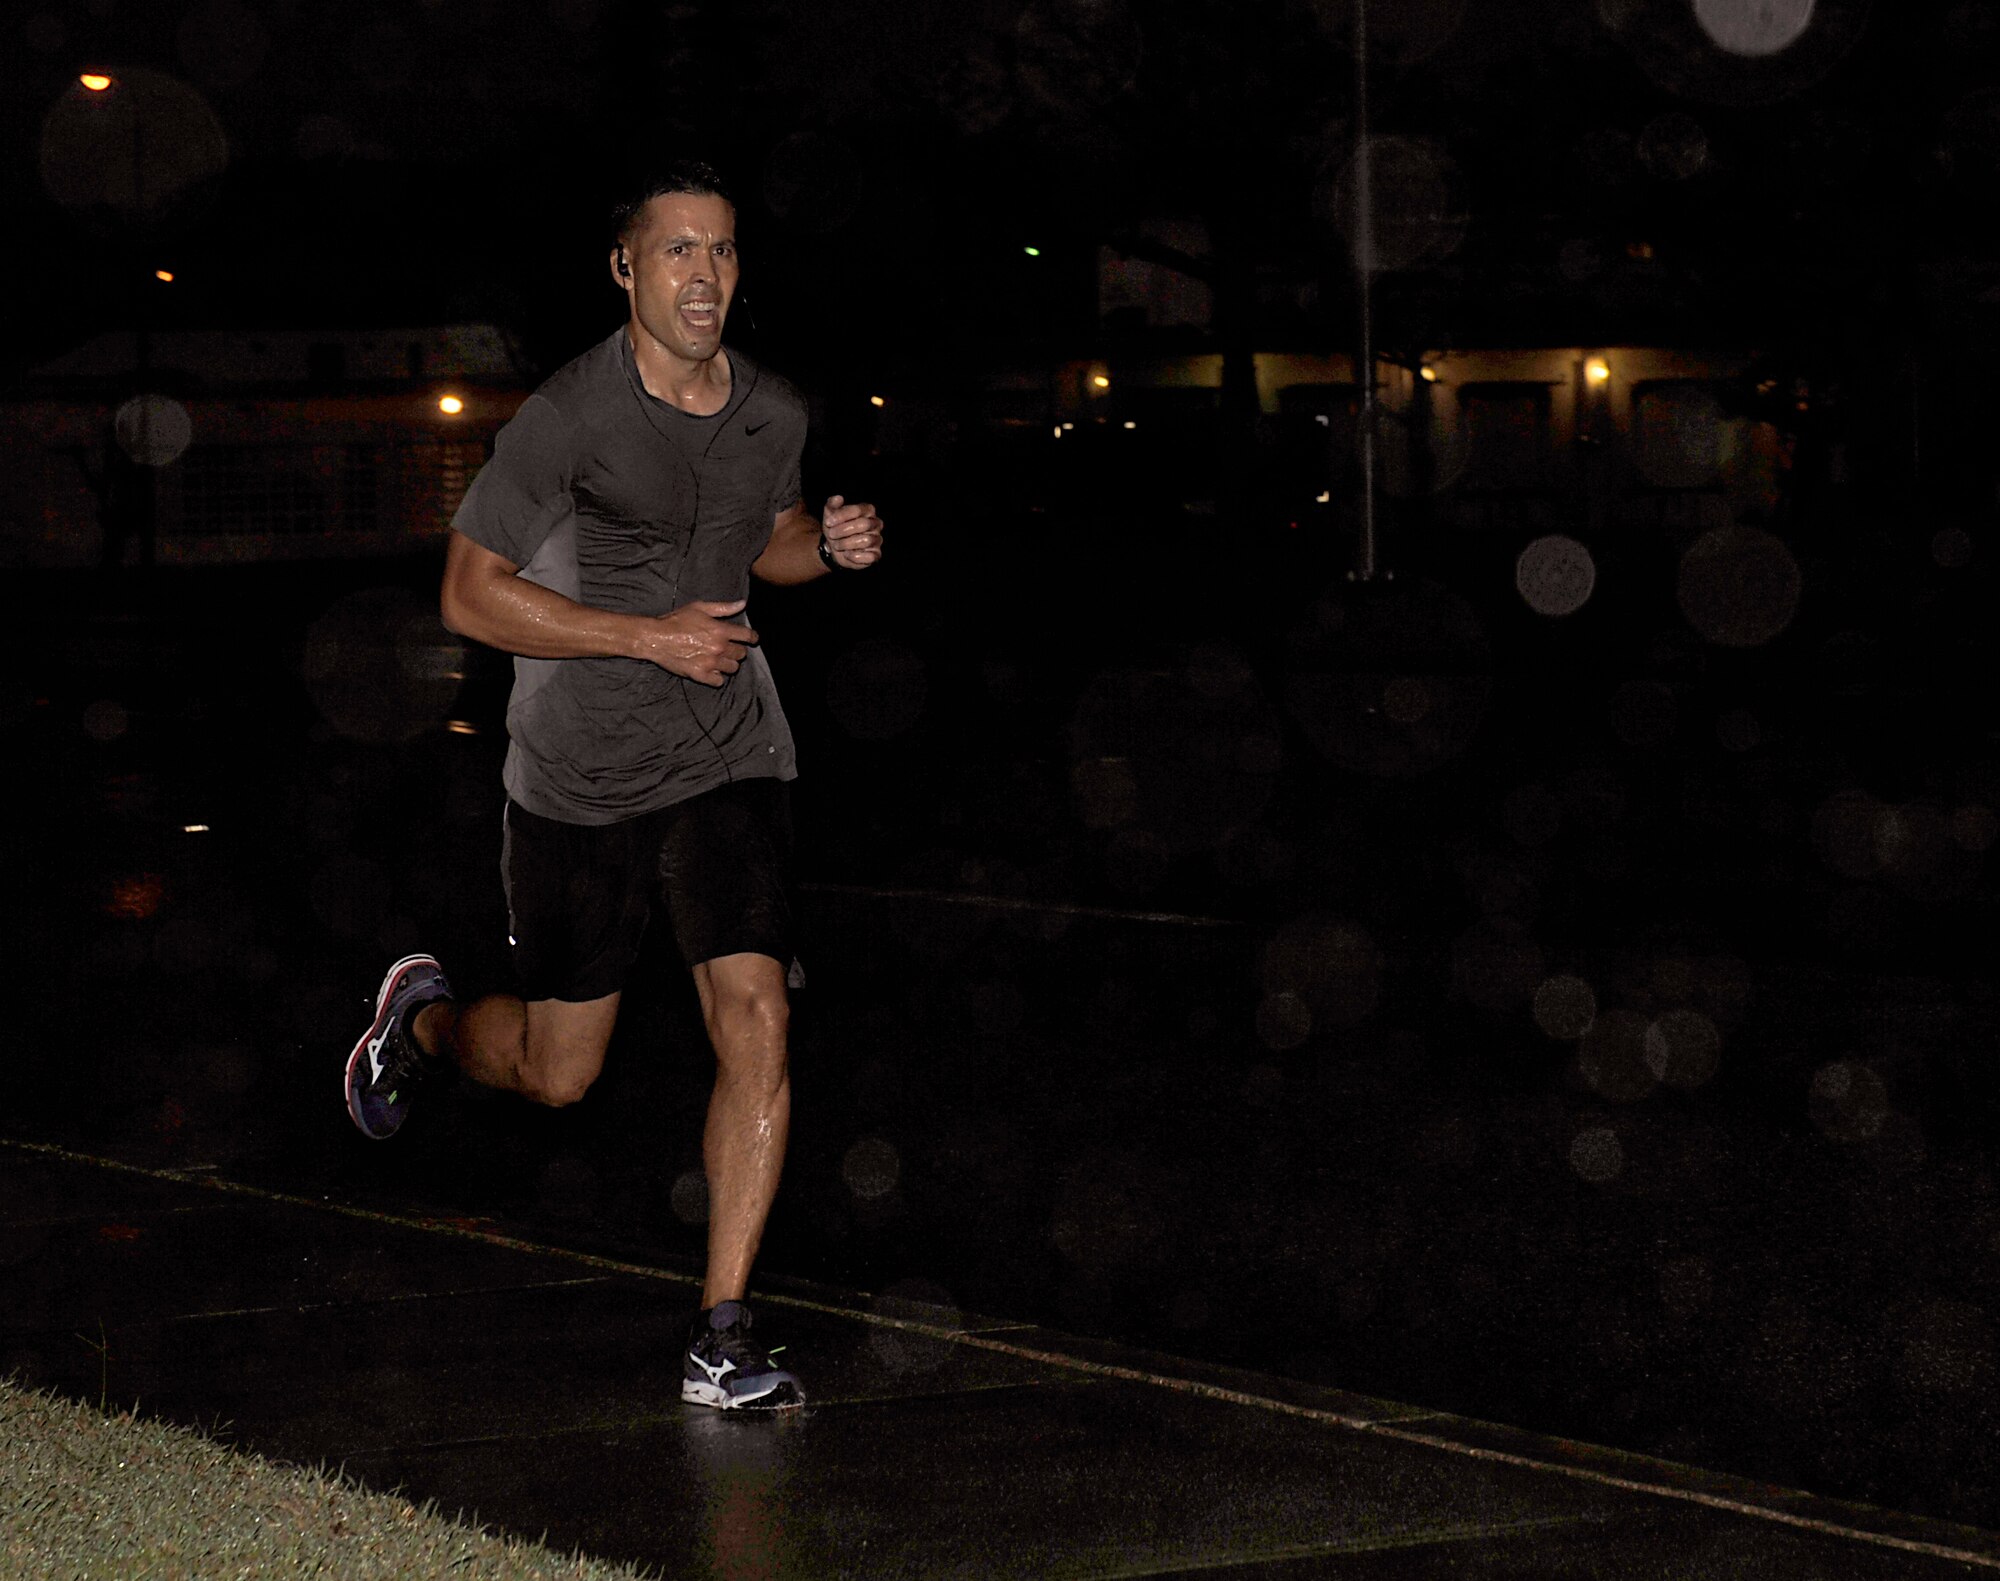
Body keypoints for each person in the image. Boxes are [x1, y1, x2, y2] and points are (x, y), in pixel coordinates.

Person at [341, 159, 883, 1411]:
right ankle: (420, 1025)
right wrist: (647, 637)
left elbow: (768, 540)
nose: (706, 275)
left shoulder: (773, 410)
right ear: (626, 268)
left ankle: (723, 1333)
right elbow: (465, 596)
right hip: (581, 775)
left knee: (758, 1019)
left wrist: (832, 549)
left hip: (729, 751)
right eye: (679, 251)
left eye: (725, 250)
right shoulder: (567, 420)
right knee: (557, 1073)